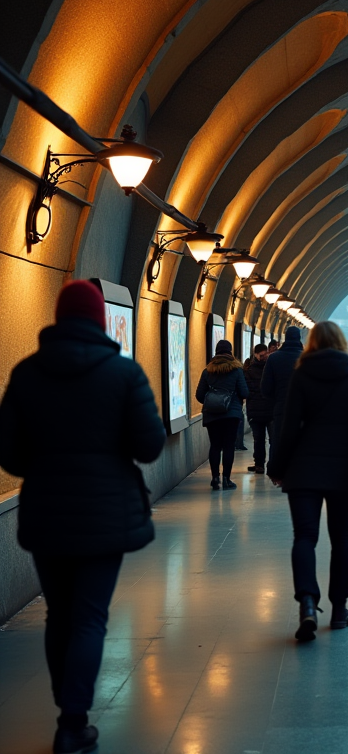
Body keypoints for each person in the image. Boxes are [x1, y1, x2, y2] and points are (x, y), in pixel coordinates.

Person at [0, 281, 166, 754]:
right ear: (99, 321)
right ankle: (74, 721)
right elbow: (150, 445)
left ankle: (64, 707)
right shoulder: (123, 373)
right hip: (105, 513)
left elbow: (9, 454)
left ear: (57, 318)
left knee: (59, 614)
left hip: (47, 513)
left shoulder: (27, 373)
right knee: (91, 617)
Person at [269, 322, 348, 641]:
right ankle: (339, 610)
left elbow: (288, 427)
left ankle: (306, 602)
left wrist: (277, 467)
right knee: (341, 537)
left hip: (303, 467)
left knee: (304, 536)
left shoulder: (302, 375)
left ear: (312, 343)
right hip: (344, 469)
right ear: (342, 343)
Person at [196, 340, 250, 490]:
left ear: (216, 352)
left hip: (212, 415)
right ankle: (226, 479)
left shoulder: (207, 371)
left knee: (215, 446)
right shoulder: (237, 370)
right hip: (231, 415)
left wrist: (213, 400)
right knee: (228, 446)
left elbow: (200, 395)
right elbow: (245, 392)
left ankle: (215, 479)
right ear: (230, 352)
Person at [261, 326, 305, 462]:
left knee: (279, 440)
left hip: (281, 408)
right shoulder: (308, 358)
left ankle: (278, 473)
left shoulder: (274, 358)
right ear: (299, 338)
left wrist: (276, 401)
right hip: (303, 410)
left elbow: (265, 388)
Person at [244, 343, 272, 474]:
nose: (264, 356)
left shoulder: (249, 370)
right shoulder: (271, 369)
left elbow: (247, 391)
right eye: (262, 354)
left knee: (259, 439)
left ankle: (260, 464)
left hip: (256, 410)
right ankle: (271, 464)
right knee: (272, 439)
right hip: (269, 409)